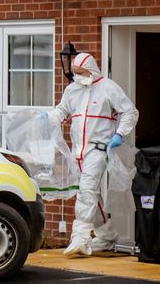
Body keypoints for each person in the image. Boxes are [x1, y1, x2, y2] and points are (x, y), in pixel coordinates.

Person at [47, 52, 138, 256]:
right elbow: (62, 110)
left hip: (98, 148)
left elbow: (129, 111)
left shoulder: (108, 87)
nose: (77, 76)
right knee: (87, 191)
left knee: (86, 189)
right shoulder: (72, 90)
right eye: (75, 73)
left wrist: (119, 134)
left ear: (91, 69)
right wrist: (49, 118)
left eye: (80, 72)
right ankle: (106, 235)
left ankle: (80, 237)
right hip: (78, 149)